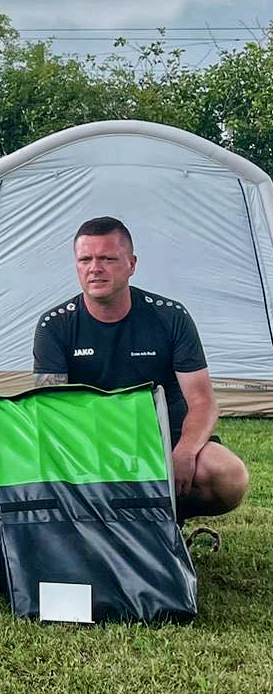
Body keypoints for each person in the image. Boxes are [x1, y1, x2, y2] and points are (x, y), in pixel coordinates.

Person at [33, 216, 248, 520]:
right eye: (85, 259)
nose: (95, 268)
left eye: (108, 259)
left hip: (165, 440)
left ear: (132, 264)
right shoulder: (54, 325)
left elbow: (203, 402)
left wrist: (185, 452)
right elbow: (51, 411)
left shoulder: (171, 317)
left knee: (228, 475)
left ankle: (167, 521)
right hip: (91, 443)